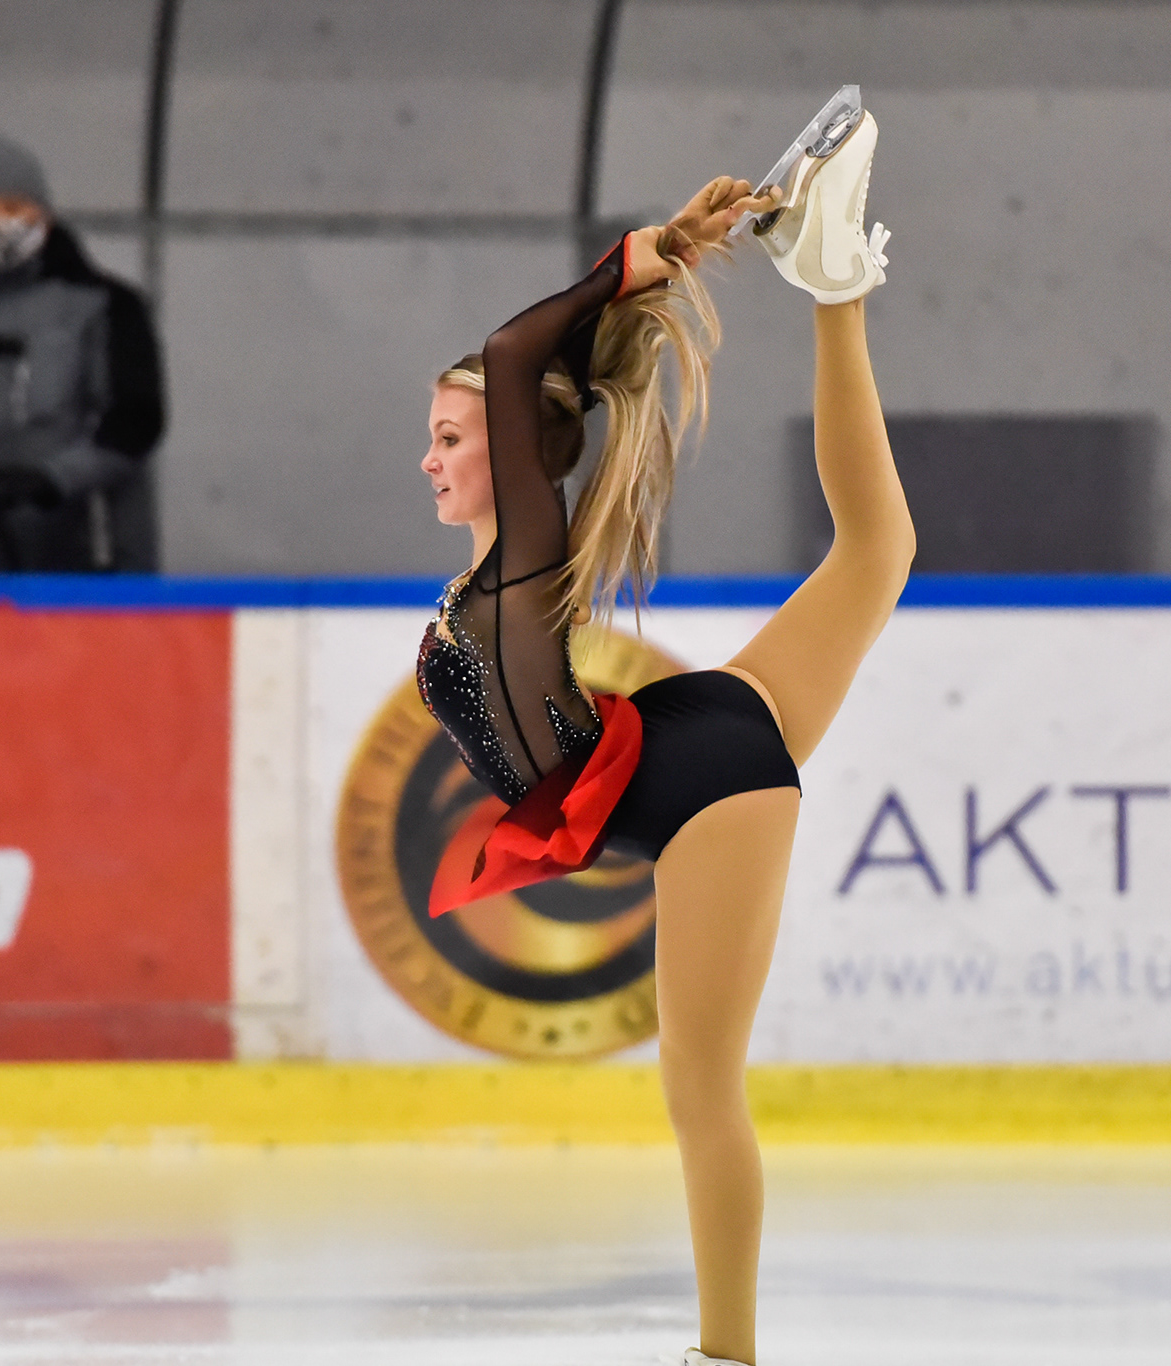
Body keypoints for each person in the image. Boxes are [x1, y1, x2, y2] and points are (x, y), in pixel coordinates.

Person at [417, 101, 914, 1366]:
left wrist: (642, 260)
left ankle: (726, 1355)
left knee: (698, 1085)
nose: (427, 458)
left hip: (697, 786)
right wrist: (654, 266)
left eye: (450, 436)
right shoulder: (495, 576)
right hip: (687, 730)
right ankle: (836, 285)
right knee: (877, 552)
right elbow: (523, 364)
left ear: (522, 452)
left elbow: (517, 353)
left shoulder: (522, 567)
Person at [0, 136, 165, 571]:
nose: (0, 225)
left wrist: (51, 480)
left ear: (45, 212)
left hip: (85, 565)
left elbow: (134, 423)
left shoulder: (106, 305)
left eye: (15, 209)